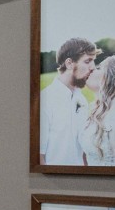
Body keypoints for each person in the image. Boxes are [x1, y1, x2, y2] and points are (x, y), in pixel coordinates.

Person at [39, 38, 98, 167]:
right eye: (87, 61)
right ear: (69, 63)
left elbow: (84, 151)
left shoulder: (82, 100)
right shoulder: (45, 100)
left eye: (93, 61)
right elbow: (38, 156)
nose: (93, 67)